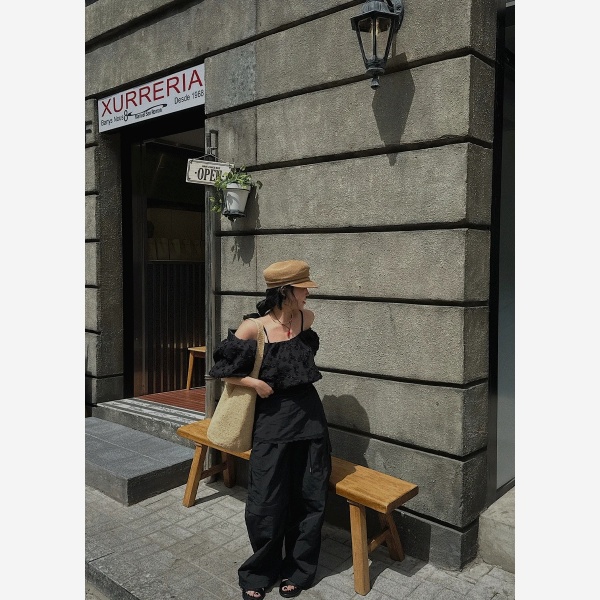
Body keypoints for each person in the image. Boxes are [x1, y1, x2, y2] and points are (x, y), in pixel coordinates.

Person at [209, 259, 331, 600]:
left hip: (310, 421)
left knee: (309, 497)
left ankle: (299, 569)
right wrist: (254, 383)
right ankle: (260, 572)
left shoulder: (307, 318)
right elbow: (222, 369)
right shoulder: (253, 328)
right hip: (271, 422)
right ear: (286, 291)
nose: (308, 293)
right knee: (265, 500)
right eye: (303, 288)